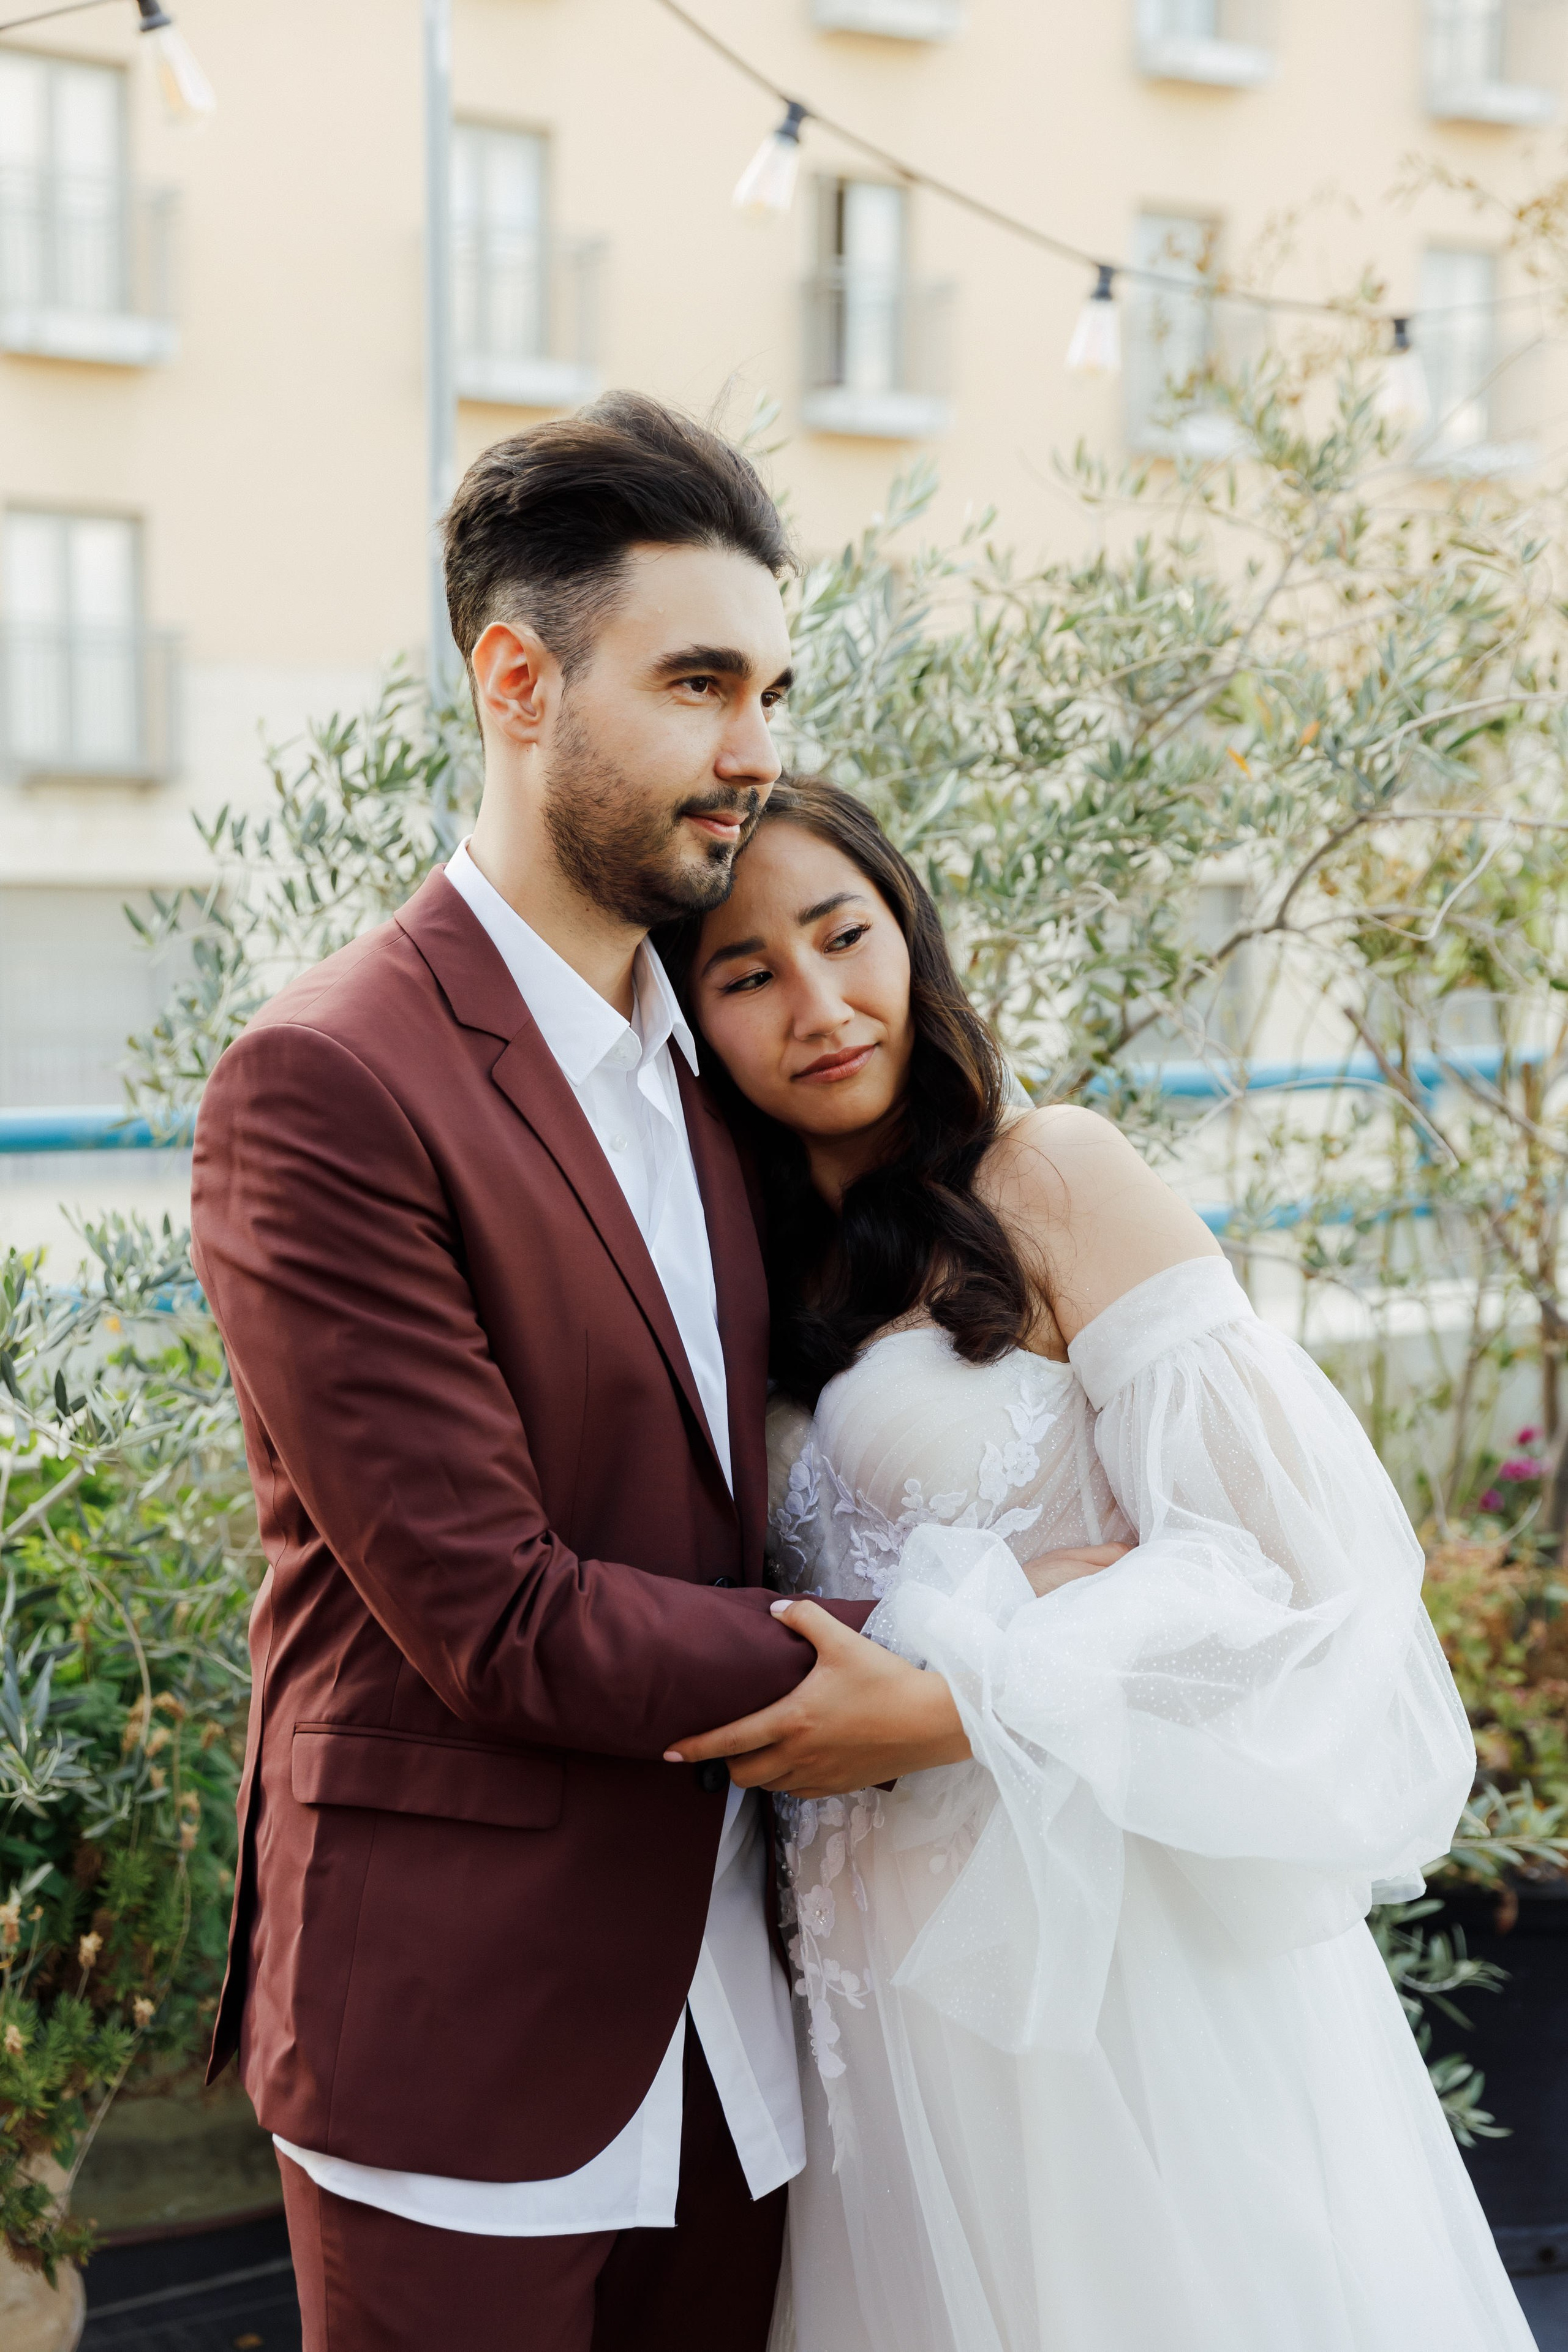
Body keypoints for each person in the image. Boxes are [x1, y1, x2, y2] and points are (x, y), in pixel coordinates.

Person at [189, 399, 970, 2352]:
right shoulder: (331, 1082)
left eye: (772, 687)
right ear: (518, 680)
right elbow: (497, 1617)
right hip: (461, 2034)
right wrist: (956, 1673)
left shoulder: (714, 1055)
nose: (755, 752)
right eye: (698, 683)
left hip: (741, 2025)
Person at [662, 775, 1540, 2352]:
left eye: (841, 935)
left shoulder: (1049, 1173)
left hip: (1102, 1966)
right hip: (879, 2005)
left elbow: (1297, 1573)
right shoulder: (748, 1280)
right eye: (744, 975)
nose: (816, 1003)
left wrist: (952, 1698)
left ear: (908, 937)